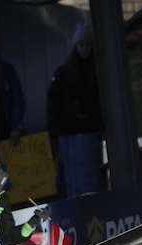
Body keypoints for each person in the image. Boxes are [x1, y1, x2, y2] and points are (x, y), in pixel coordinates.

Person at [47, 23, 104, 198]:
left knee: (90, 177)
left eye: (88, 45)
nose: (85, 49)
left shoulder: (99, 71)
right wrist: (56, 130)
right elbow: (54, 103)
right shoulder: (65, 73)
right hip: (71, 134)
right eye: (81, 45)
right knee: (75, 179)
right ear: (75, 46)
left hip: (89, 133)